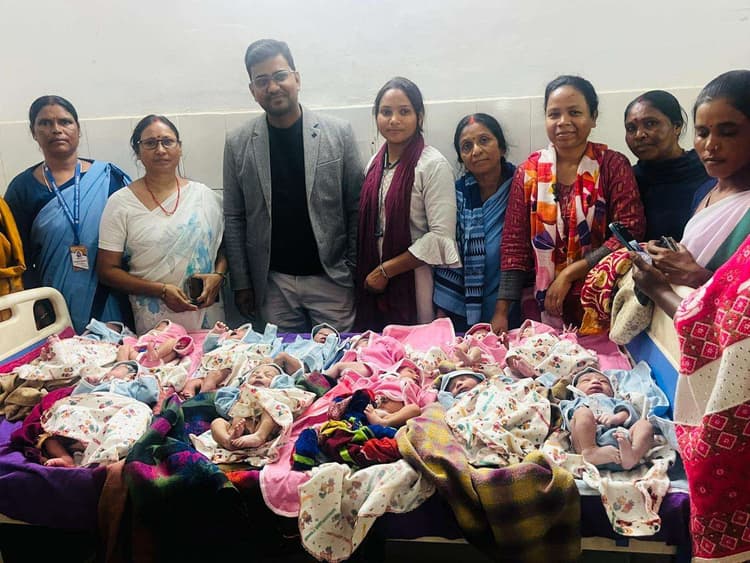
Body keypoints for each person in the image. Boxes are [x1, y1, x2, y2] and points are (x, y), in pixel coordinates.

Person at [632, 69, 750, 562]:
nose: (710, 145)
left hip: (724, 382)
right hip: (680, 358)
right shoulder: (710, 192)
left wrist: (683, 280)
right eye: (703, 132)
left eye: (728, 131)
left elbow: (733, 313)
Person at [223, 39, 363, 332]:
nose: (272, 87)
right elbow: (234, 217)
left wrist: (351, 268)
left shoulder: (338, 133)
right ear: (253, 90)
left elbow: (356, 206)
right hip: (274, 285)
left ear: (296, 78)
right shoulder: (238, 143)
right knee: (282, 360)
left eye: (280, 76)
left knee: (339, 358)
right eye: (262, 81)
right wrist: (242, 282)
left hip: (332, 280)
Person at [498, 75, 645, 331]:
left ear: (593, 117)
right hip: (540, 304)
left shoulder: (612, 165)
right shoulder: (528, 172)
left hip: (600, 303)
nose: (563, 122)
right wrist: (501, 312)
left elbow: (629, 231)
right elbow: (514, 245)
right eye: (554, 114)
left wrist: (569, 273)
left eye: (574, 112)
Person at [4, 96, 132, 333]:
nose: (56, 129)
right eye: (45, 123)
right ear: (33, 132)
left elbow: (135, 238)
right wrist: (39, 310)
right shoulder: (22, 189)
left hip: (113, 297)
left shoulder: (110, 178)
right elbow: (19, 259)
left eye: (65, 121)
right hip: (52, 303)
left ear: (78, 129)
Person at [97, 115, 226, 334]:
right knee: (160, 357)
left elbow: (225, 247)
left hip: (209, 318)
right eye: (150, 143)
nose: (160, 150)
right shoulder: (120, 203)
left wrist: (219, 276)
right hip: (155, 325)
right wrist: (161, 291)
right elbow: (107, 270)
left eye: (167, 141)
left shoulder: (205, 196)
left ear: (179, 148)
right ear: (138, 152)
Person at [355, 77, 460, 330]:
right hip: (373, 277)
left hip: (416, 280)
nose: (394, 120)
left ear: (419, 117)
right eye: (386, 112)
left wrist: (386, 270)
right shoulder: (374, 164)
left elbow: (440, 236)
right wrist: (378, 272)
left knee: (414, 343)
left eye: (404, 112)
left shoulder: (432, 165)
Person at [433, 114, 517, 331]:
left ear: (502, 147)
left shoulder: (522, 188)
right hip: (464, 308)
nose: (476, 151)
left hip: (515, 306)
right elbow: (447, 254)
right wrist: (442, 318)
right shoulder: (456, 196)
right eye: (467, 146)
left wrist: (502, 311)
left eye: (484, 140)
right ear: (462, 158)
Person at [624, 90, 714, 241]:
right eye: (631, 128)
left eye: (650, 124)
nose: (639, 135)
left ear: (677, 126)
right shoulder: (627, 182)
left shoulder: (709, 170)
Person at [561, 368, 653, 470]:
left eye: (603, 381)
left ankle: (633, 456)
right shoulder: (576, 401)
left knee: (645, 424)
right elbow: (568, 419)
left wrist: (616, 418)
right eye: (586, 380)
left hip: (622, 445)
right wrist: (587, 417)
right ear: (575, 390)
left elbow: (629, 413)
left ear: (612, 390)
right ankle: (591, 451)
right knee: (582, 413)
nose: (595, 381)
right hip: (585, 446)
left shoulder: (614, 401)